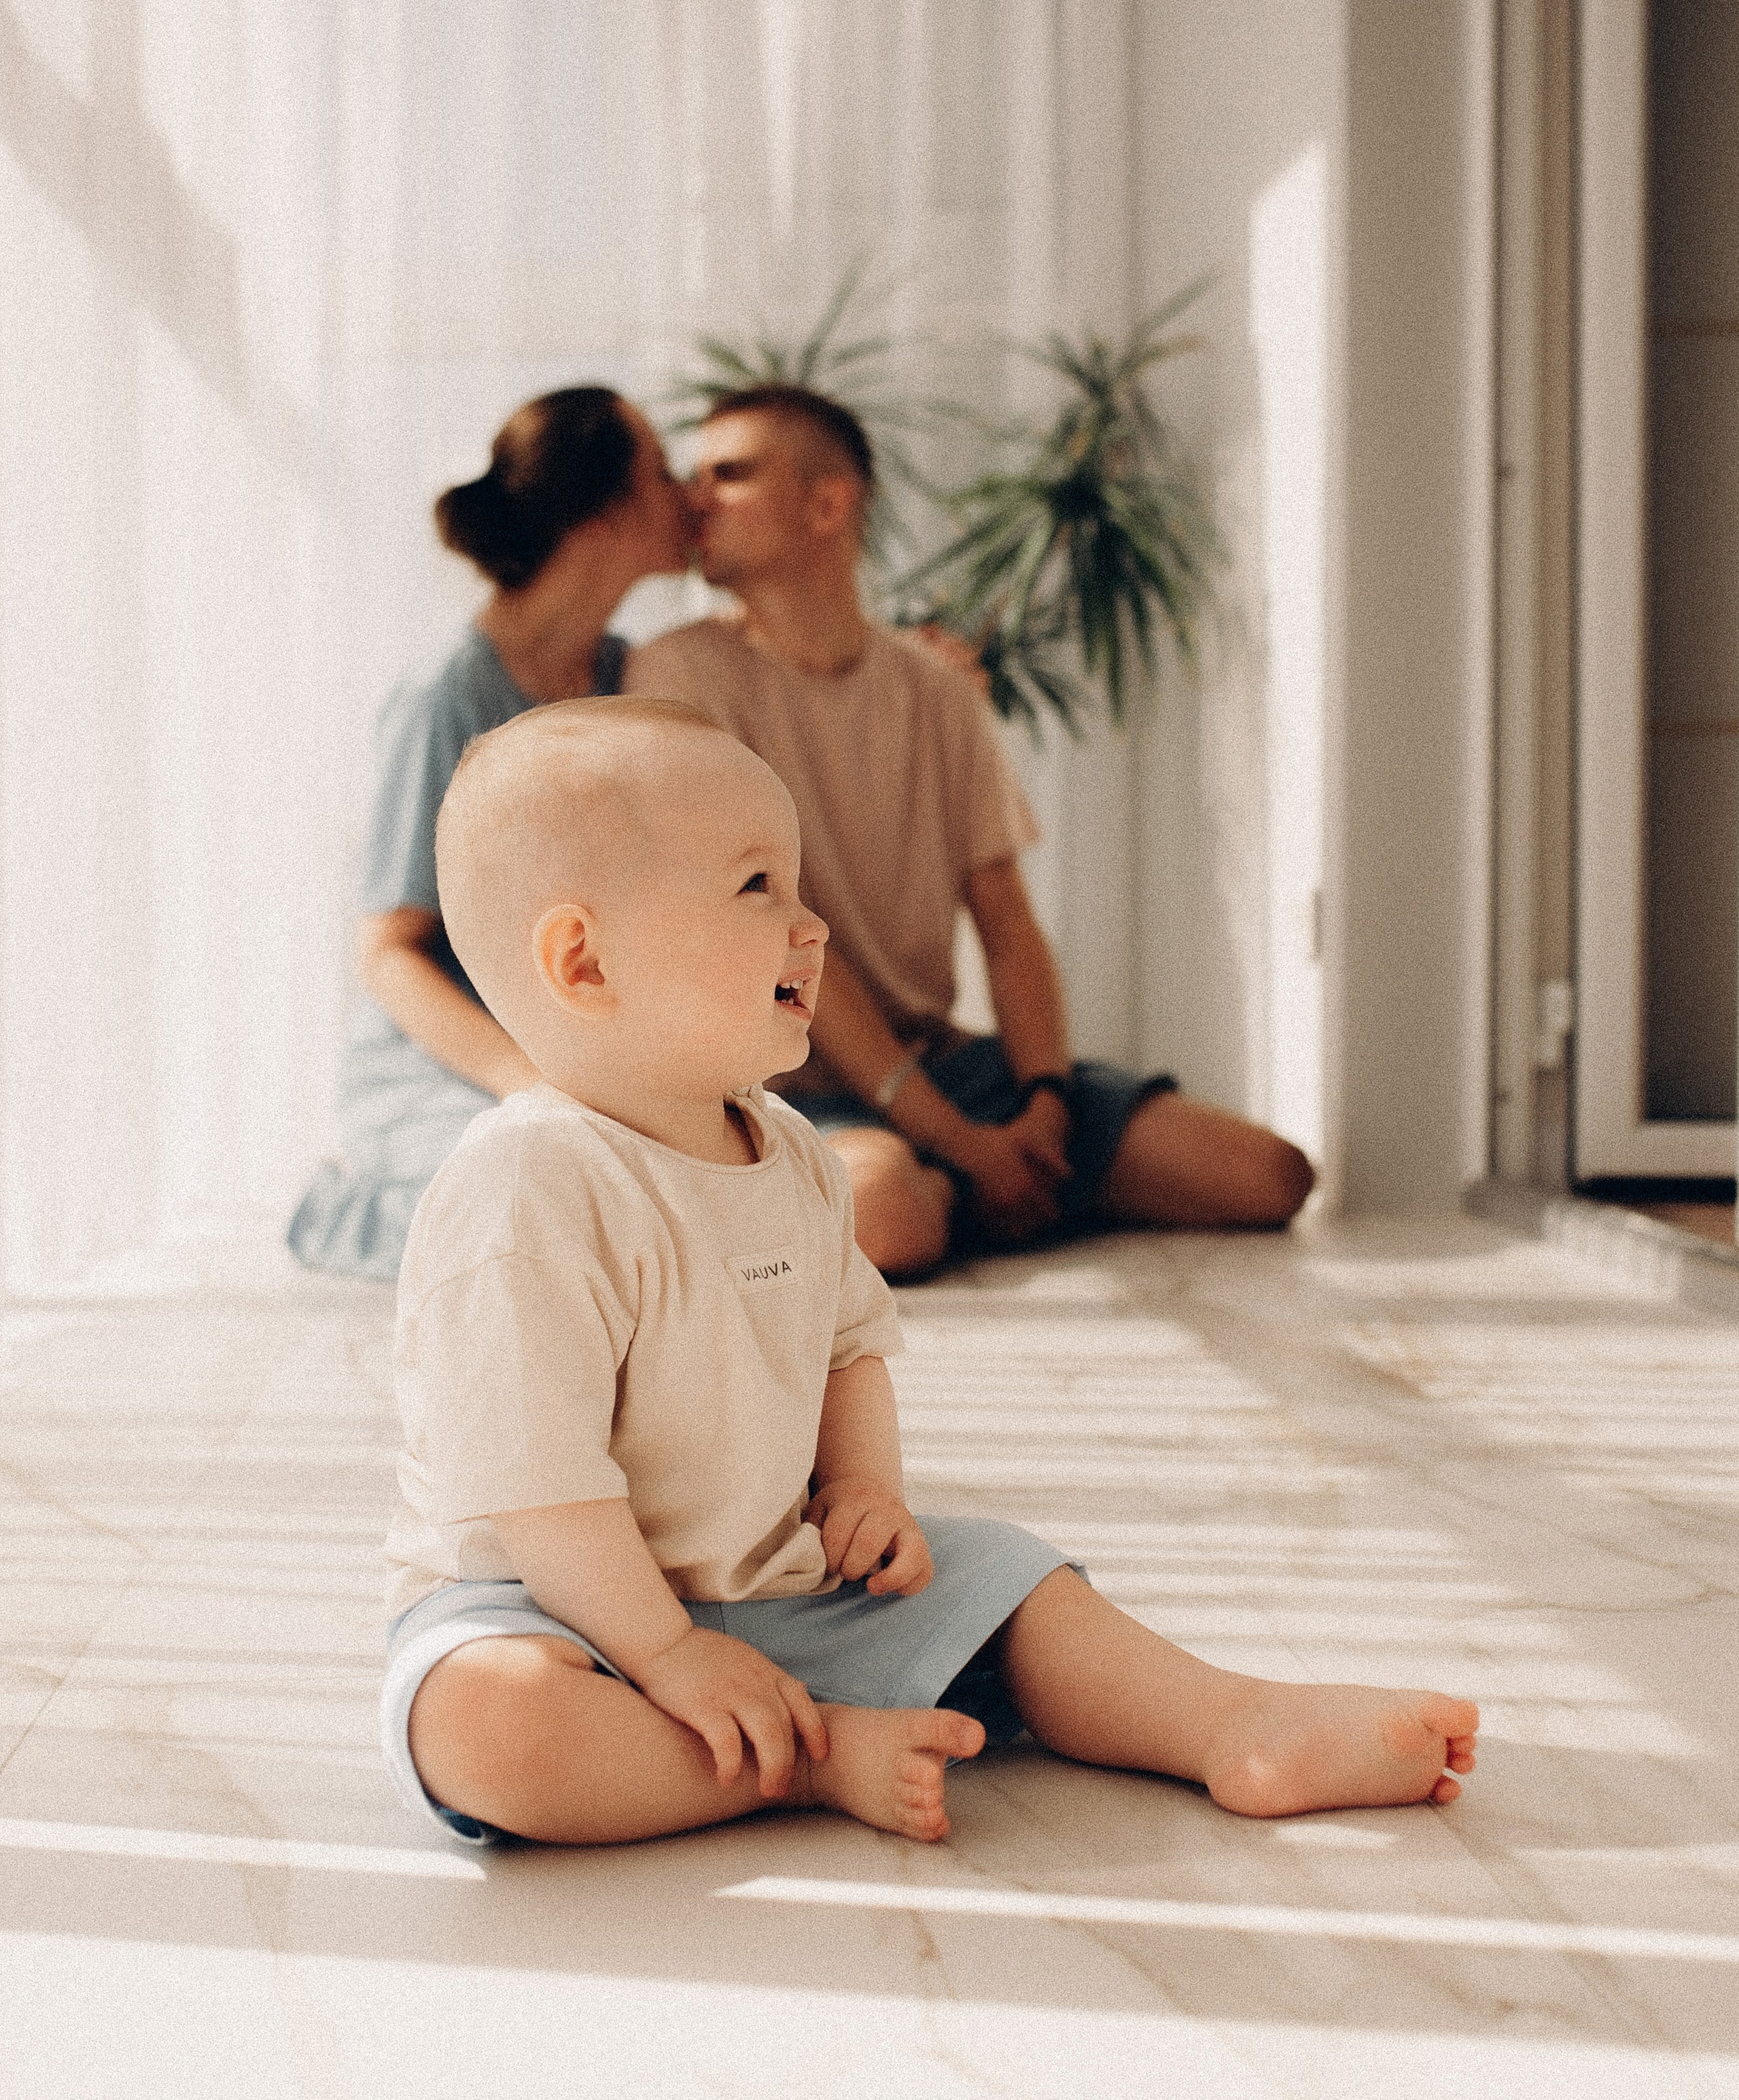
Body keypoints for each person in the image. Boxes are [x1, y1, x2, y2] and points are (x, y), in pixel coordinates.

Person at [381, 696, 1478, 1847]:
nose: (812, 927)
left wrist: (865, 1492)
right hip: (556, 1612)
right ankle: (808, 1764)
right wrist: (666, 1652)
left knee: (1011, 1578)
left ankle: (1229, 1723)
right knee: (490, 1729)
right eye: (759, 888)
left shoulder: (793, 1153)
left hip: (776, 1587)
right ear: (585, 961)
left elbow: (847, 1350)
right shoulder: (527, 1186)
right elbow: (539, 1487)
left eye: (799, 888)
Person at [620, 384, 1317, 1280]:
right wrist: (961, 1143)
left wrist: (1044, 1104)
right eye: (696, 475)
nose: (696, 498)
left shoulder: (937, 687)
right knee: (885, 1217)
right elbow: (775, 941)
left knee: (1269, 1177)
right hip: (783, 1081)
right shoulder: (676, 677)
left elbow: (1007, 920)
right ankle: (957, 1186)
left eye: (731, 474)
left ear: (827, 504)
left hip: (938, 1066)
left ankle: (975, 1185)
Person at [287, 385, 690, 1280]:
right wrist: (527, 1081)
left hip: (576, 1054)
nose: (688, 492)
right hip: (445, 1065)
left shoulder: (629, 675)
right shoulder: (447, 696)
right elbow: (389, 953)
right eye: (663, 472)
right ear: (606, 512)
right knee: (540, 1207)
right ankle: (346, 1209)